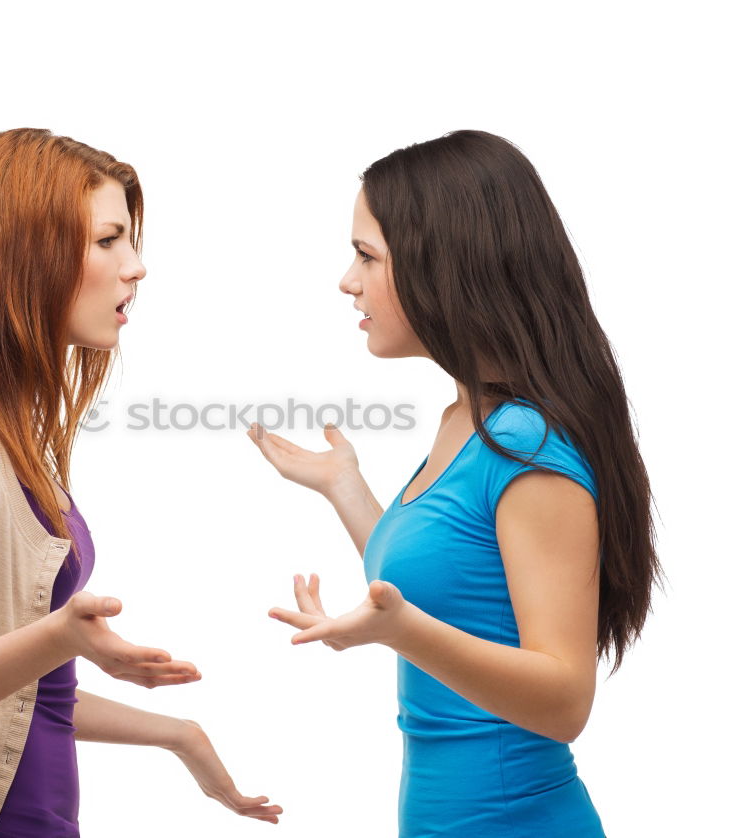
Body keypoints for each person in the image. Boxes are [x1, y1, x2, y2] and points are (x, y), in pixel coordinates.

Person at [0, 127, 282, 837]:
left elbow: (12, 704)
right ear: (22, 255)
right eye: (108, 240)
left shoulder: (7, 432)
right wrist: (57, 638)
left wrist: (179, 734)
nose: (136, 267)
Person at [247, 130, 662, 837]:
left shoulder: (526, 446)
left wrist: (399, 631)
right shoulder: (463, 419)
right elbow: (449, 583)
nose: (347, 280)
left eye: (367, 256)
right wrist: (345, 489)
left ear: (447, 267)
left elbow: (564, 702)